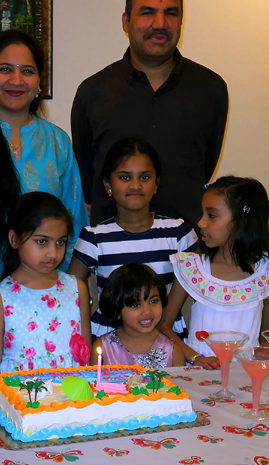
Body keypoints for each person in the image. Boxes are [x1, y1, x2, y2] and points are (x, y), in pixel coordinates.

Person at [72, 0, 229, 226]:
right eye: (147, 12)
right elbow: (88, 178)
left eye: (171, 12)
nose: (160, 23)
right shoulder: (93, 92)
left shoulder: (211, 90)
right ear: (126, 22)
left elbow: (205, 166)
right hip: (113, 253)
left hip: (184, 251)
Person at [0, 29, 88, 295]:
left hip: (44, 300)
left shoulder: (57, 142)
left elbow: (75, 226)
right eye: (5, 69)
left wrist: (66, 294)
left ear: (39, 81)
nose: (16, 80)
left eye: (27, 71)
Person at [68, 138, 196, 336]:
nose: (135, 185)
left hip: (164, 338)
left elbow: (182, 294)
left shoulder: (180, 234)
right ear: (107, 184)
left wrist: (160, 333)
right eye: (125, 177)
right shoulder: (93, 238)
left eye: (144, 177)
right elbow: (68, 293)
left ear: (156, 184)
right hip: (109, 344)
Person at [160, 176, 269, 363]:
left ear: (241, 221)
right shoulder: (192, 268)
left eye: (212, 215)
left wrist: (268, 346)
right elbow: (164, 325)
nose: (201, 222)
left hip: (247, 370)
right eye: (202, 213)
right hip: (200, 372)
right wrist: (195, 357)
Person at [0, 192, 92, 375]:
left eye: (60, 242)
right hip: (20, 397)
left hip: (71, 397)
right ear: (14, 239)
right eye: (42, 241)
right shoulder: (1, 298)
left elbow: (86, 357)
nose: (52, 252)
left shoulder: (76, 289)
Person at [97, 263, 186, 369]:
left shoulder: (173, 351)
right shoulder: (103, 348)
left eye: (153, 301)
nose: (147, 311)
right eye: (135, 305)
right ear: (117, 310)